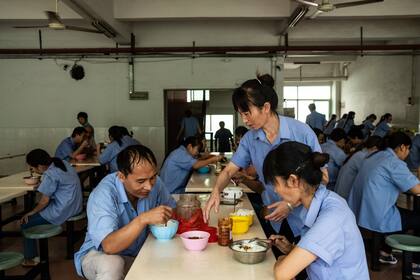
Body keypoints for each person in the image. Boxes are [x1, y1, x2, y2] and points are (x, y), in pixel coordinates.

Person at [204, 75, 323, 240]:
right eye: (241, 114)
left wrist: (290, 203)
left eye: (247, 113)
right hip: (273, 217)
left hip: (304, 217)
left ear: (265, 107)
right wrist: (216, 190)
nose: (244, 120)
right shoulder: (250, 139)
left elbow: (322, 177)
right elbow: (229, 171)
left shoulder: (302, 132)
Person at [263, 142, 368, 280]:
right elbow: (322, 252)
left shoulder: (332, 218)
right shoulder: (322, 201)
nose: (276, 190)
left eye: (276, 184)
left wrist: (282, 259)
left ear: (293, 180)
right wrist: (291, 250)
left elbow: (282, 274)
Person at [74, 145, 176, 280]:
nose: (149, 186)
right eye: (140, 181)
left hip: (137, 252)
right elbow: (108, 246)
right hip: (99, 255)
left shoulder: (154, 183)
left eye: (153, 177)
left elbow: (172, 210)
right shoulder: (103, 194)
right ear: (121, 176)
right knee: (112, 264)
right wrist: (142, 219)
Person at [348, 132, 420, 271]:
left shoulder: (374, 155)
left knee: (405, 215)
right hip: (377, 214)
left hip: (360, 210)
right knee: (416, 219)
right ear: (402, 147)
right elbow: (417, 189)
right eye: (409, 149)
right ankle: (416, 263)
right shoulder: (394, 163)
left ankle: (385, 251)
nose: (408, 153)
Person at [21, 149, 82, 266]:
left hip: (64, 210)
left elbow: (44, 201)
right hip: (76, 205)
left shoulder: (50, 174)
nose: (33, 171)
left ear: (39, 166)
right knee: (37, 210)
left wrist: (31, 212)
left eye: (32, 168)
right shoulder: (62, 163)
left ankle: (30, 258)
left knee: (26, 222)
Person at [159, 136, 224, 194]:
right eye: (197, 150)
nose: (198, 152)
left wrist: (206, 157)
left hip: (173, 189)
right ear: (190, 146)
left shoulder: (181, 151)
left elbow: (196, 159)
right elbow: (195, 164)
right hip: (171, 193)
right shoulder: (181, 154)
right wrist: (213, 159)